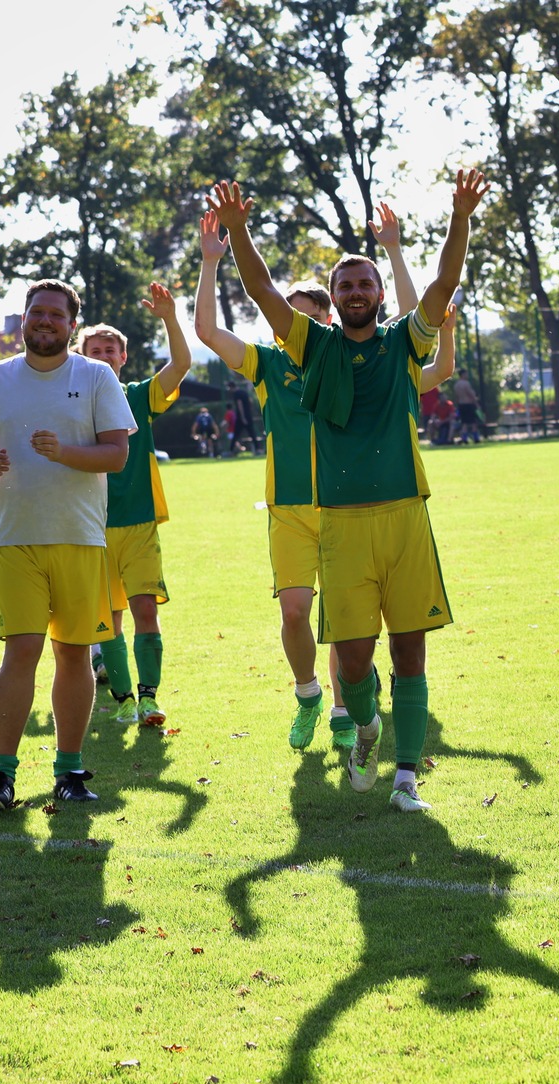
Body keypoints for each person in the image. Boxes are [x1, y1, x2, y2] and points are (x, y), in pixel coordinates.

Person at [216, 172, 482, 812]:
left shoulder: (403, 344)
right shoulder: (312, 346)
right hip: (340, 526)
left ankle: (407, 778)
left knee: (411, 652)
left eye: (365, 283)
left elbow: (444, 285)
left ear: (380, 293)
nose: (356, 291)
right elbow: (261, 290)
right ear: (334, 298)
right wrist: (238, 230)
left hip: (404, 518)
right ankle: (365, 728)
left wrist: (460, 216)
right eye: (345, 283)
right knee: (356, 666)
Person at [0, 279, 133, 813]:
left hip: (79, 536)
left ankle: (70, 771)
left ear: (72, 325)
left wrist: (65, 453)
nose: (45, 321)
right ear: (23, 320)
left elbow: (116, 454)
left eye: (55, 314)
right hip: (15, 538)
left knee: (73, 654)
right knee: (21, 651)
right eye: (36, 313)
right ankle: (0, 776)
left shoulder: (96, 376)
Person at [193, 209, 354, 752]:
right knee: (294, 611)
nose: (291, 328)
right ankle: (307, 693)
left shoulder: (347, 359)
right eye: (287, 318)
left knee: (344, 618)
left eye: (304, 318)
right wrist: (211, 263)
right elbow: (208, 332)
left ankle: (341, 707)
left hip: (345, 506)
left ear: (325, 323)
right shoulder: (266, 364)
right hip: (288, 510)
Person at [76, 284, 192, 730]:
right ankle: (122, 700)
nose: (104, 356)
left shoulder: (139, 396)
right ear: (81, 356)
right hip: (90, 527)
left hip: (140, 524)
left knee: (147, 612)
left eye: (111, 350)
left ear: (123, 358)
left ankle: (148, 698)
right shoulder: (69, 402)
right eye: (95, 350)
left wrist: (168, 318)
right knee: (108, 623)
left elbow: (181, 365)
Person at [451, 372, 483, 443]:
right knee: (473, 422)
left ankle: (464, 439)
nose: (467, 375)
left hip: (461, 405)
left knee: (464, 423)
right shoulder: (466, 383)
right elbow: (471, 394)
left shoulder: (456, 385)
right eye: (466, 374)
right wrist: (476, 404)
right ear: (462, 375)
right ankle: (476, 439)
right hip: (469, 404)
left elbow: (456, 397)